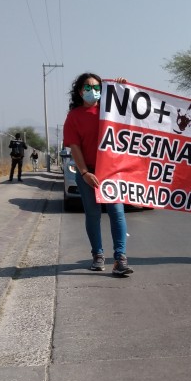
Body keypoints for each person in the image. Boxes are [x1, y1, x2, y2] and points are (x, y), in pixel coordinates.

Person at [63, 72, 134, 276]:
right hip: (88, 173)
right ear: (79, 91)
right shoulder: (74, 116)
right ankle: (98, 255)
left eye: (96, 87)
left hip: (111, 172)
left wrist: (123, 90)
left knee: (117, 213)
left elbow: (135, 116)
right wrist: (84, 172)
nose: (93, 91)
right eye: (88, 87)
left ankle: (120, 258)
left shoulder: (110, 111)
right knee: (93, 215)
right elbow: (74, 147)